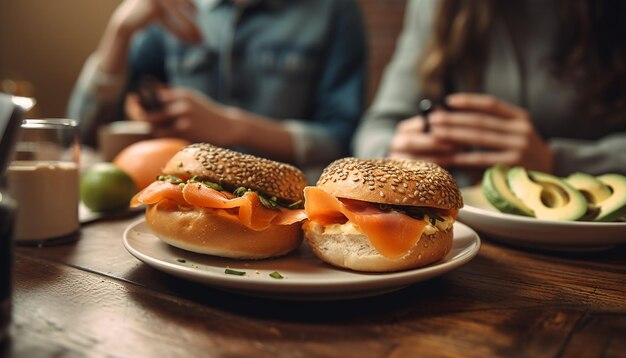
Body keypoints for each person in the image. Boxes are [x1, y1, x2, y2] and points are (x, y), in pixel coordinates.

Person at [68, 0, 366, 180]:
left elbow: (341, 140)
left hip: (289, 203)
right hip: (180, 194)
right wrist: (119, 32)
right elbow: (79, 136)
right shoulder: (172, 8)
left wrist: (234, 127)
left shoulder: (333, 9)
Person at [353, 0, 626, 187]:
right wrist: (392, 151)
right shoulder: (439, 5)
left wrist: (557, 161)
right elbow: (377, 126)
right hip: (473, 229)